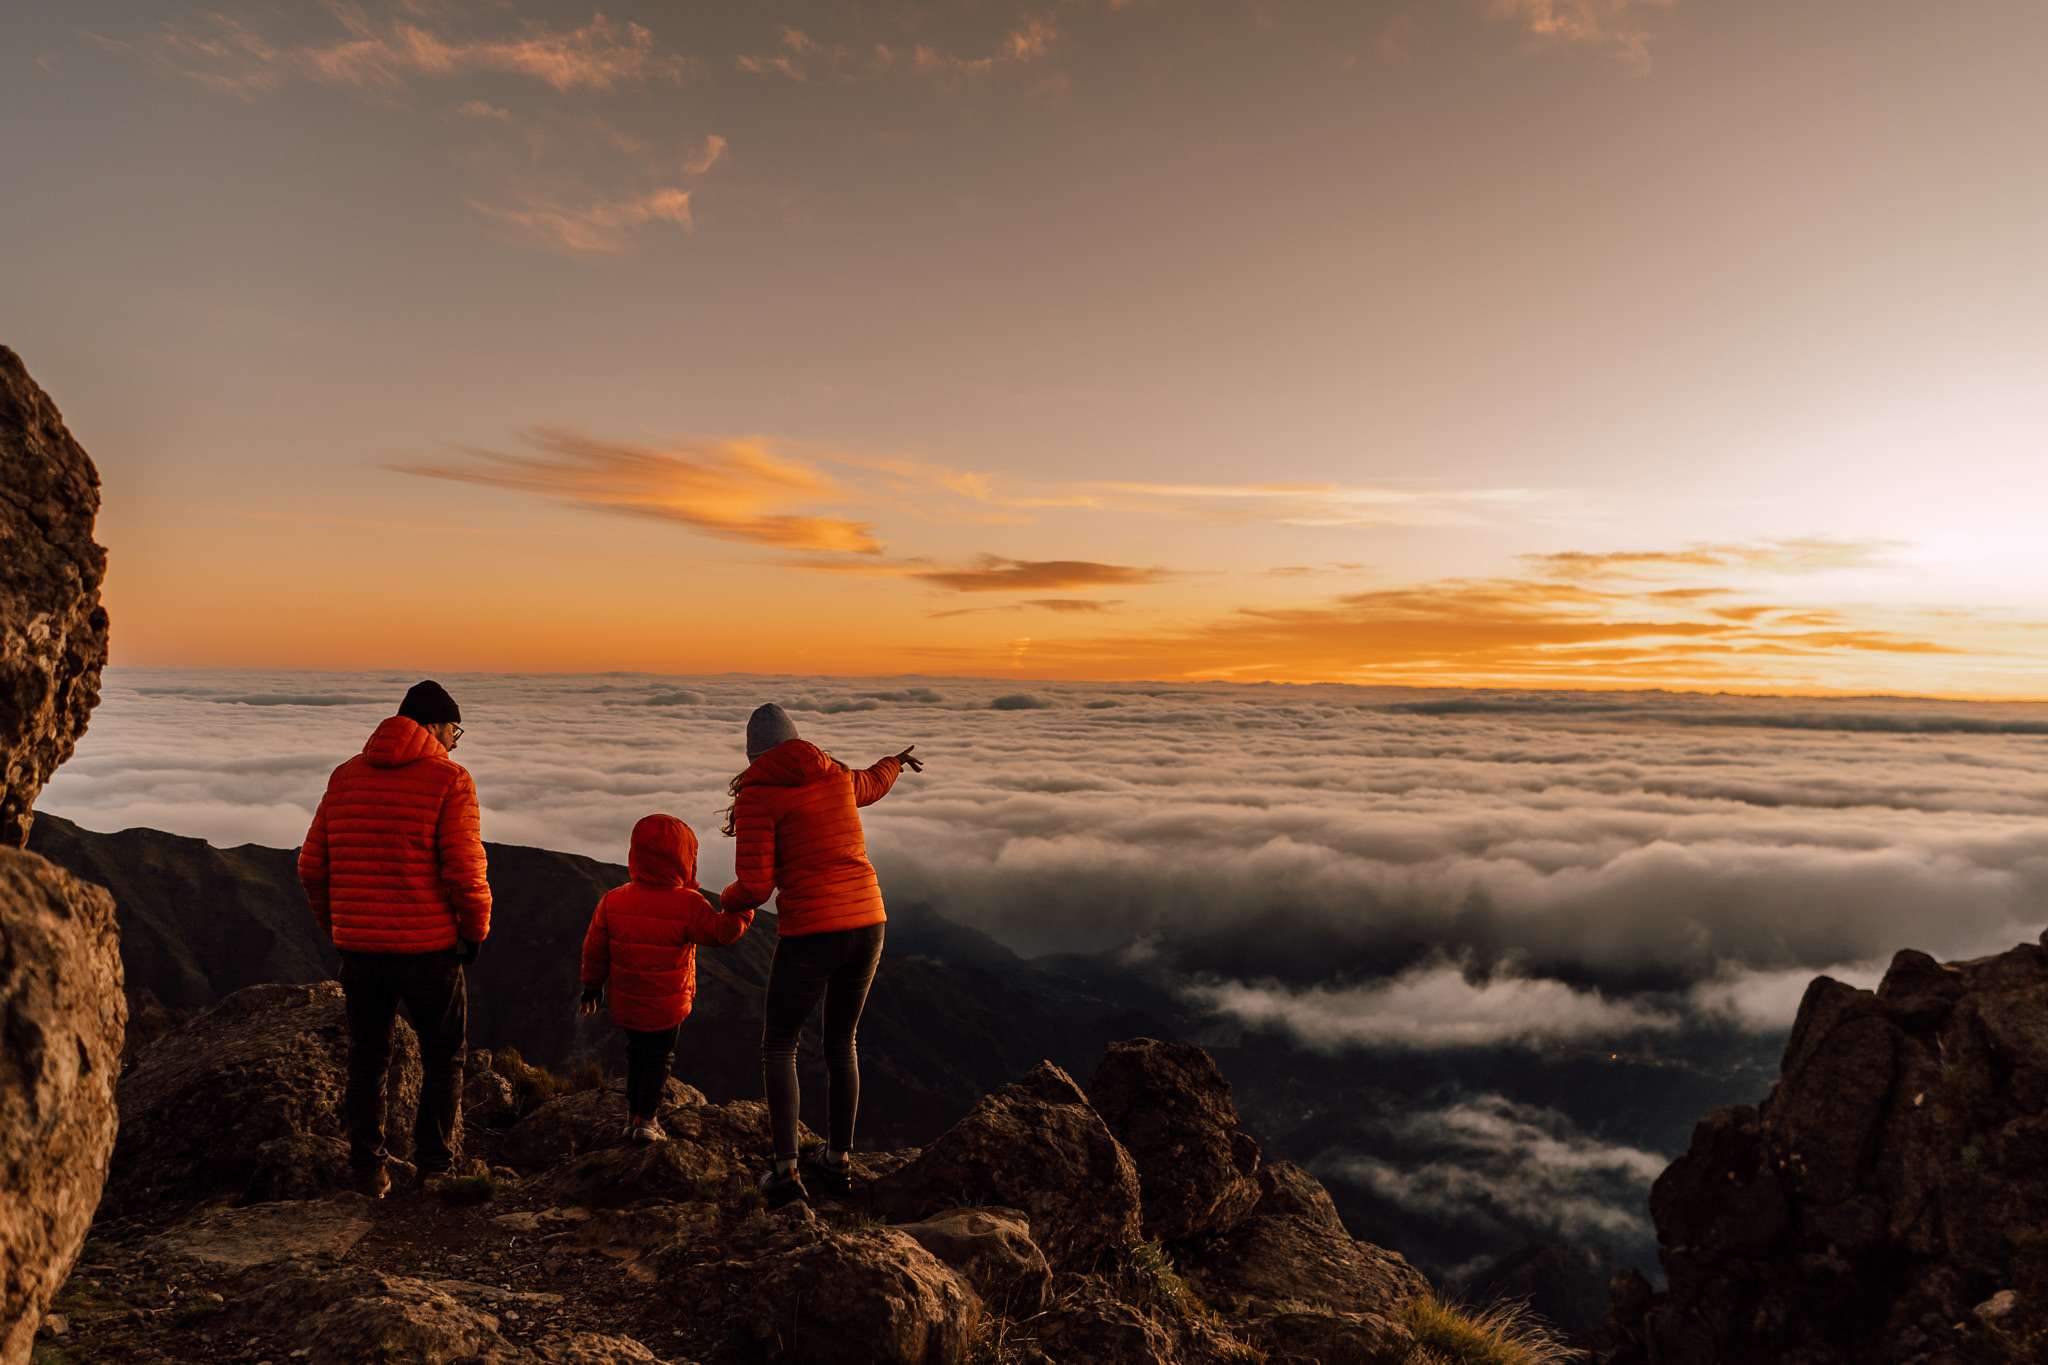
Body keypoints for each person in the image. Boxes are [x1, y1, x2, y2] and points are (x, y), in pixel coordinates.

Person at [721, 702, 922, 1207]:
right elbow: (872, 783)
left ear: (753, 755)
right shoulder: (835, 775)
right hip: (869, 920)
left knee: (780, 1045)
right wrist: (895, 761)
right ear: (798, 741)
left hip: (814, 929)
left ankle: (785, 1173)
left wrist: (721, 901)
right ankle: (837, 1161)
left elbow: (755, 886)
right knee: (841, 1043)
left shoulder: (757, 796)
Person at [299, 679, 490, 1199]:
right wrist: (473, 933)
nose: (455, 741)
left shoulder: (344, 777)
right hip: (429, 950)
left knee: (368, 1058)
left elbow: (312, 865)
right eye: (455, 730)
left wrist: (340, 927)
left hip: (360, 952)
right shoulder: (451, 779)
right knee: (444, 1057)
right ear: (433, 725)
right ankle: (433, 1171)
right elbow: (464, 871)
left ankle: (367, 1172)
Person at [578, 814, 753, 1143]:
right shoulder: (688, 904)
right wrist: (746, 904)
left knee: (636, 1053)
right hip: (667, 1003)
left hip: (627, 1000)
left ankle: (633, 1117)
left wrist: (591, 986)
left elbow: (595, 948)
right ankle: (647, 1120)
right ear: (686, 857)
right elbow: (720, 932)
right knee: (659, 1057)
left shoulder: (613, 900)